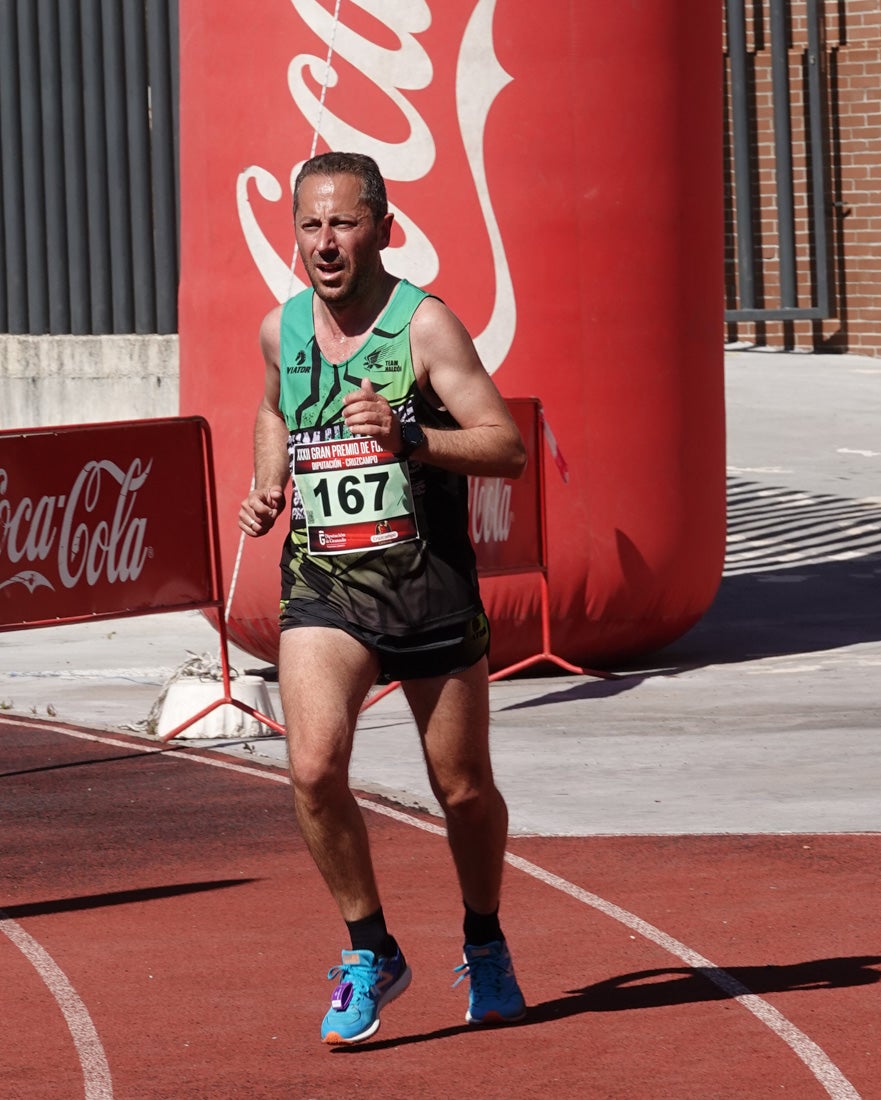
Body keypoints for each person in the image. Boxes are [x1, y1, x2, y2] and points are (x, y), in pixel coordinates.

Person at [238, 151, 527, 1045]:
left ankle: (483, 939)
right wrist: (267, 482)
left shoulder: (426, 327)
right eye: (311, 225)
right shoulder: (279, 329)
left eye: (344, 223)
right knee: (313, 768)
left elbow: (506, 446)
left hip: (429, 587)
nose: (326, 244)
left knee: (463, 788)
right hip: (324, 586)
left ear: (383, 227)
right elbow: (275, 409)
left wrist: (413, 437)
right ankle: (370, 950)